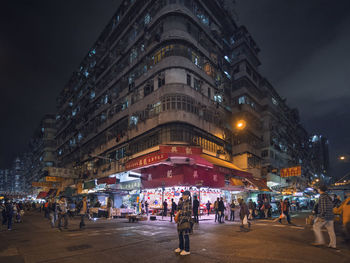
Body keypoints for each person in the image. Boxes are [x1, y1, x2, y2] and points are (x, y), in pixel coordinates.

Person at [312, 185, 338, 250]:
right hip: (330, 216)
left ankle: (320, 241)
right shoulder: (328, 196)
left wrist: (321, 217)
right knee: (331, 231)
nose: (317, 189)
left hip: (324, 216)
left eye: (318, 188)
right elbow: (332, 206)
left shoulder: (322, 196)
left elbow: (323, 208)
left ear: (320, 189)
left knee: (316, 226)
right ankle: (333, 244)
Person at [174, 191, 192, 256]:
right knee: (180, 234)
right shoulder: (183, 202)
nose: (182, 196)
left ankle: (187, 250)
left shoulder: (189, 202)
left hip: (185, 220)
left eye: (183, 195)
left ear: (187, 195)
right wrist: (179, 202)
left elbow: (188, 212)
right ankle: (181, 247)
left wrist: (180, 212)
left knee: (186, 235)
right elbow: (177, 208)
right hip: (180, 220)